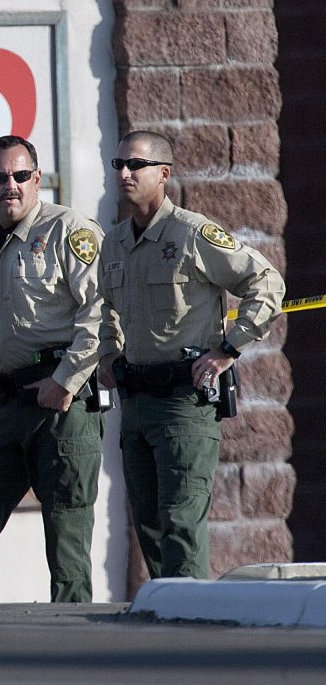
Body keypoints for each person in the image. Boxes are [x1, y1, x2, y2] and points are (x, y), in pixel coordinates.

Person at [97, 130, 284, 580]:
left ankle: (191, 634)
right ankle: (167, 628)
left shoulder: (192, 233)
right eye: (118, 165)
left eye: (135, 165)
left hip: (185, 402)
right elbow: (102, 308)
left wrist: (227, 350)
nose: (124, 173)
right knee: (149, 527)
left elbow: (267, 284)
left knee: (180, 524)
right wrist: (108, 352)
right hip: (137, 400)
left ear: (163, 174)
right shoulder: (115, 242)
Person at [0, 134, 105, 603]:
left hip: (61, 408)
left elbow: (102, 315)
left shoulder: (70, 230)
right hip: (4, 406)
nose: (12, 185)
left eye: (21, 175)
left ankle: (74, 660)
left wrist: (66, 380)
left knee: (66, 544)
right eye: (1, 177)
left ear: (37, 179)